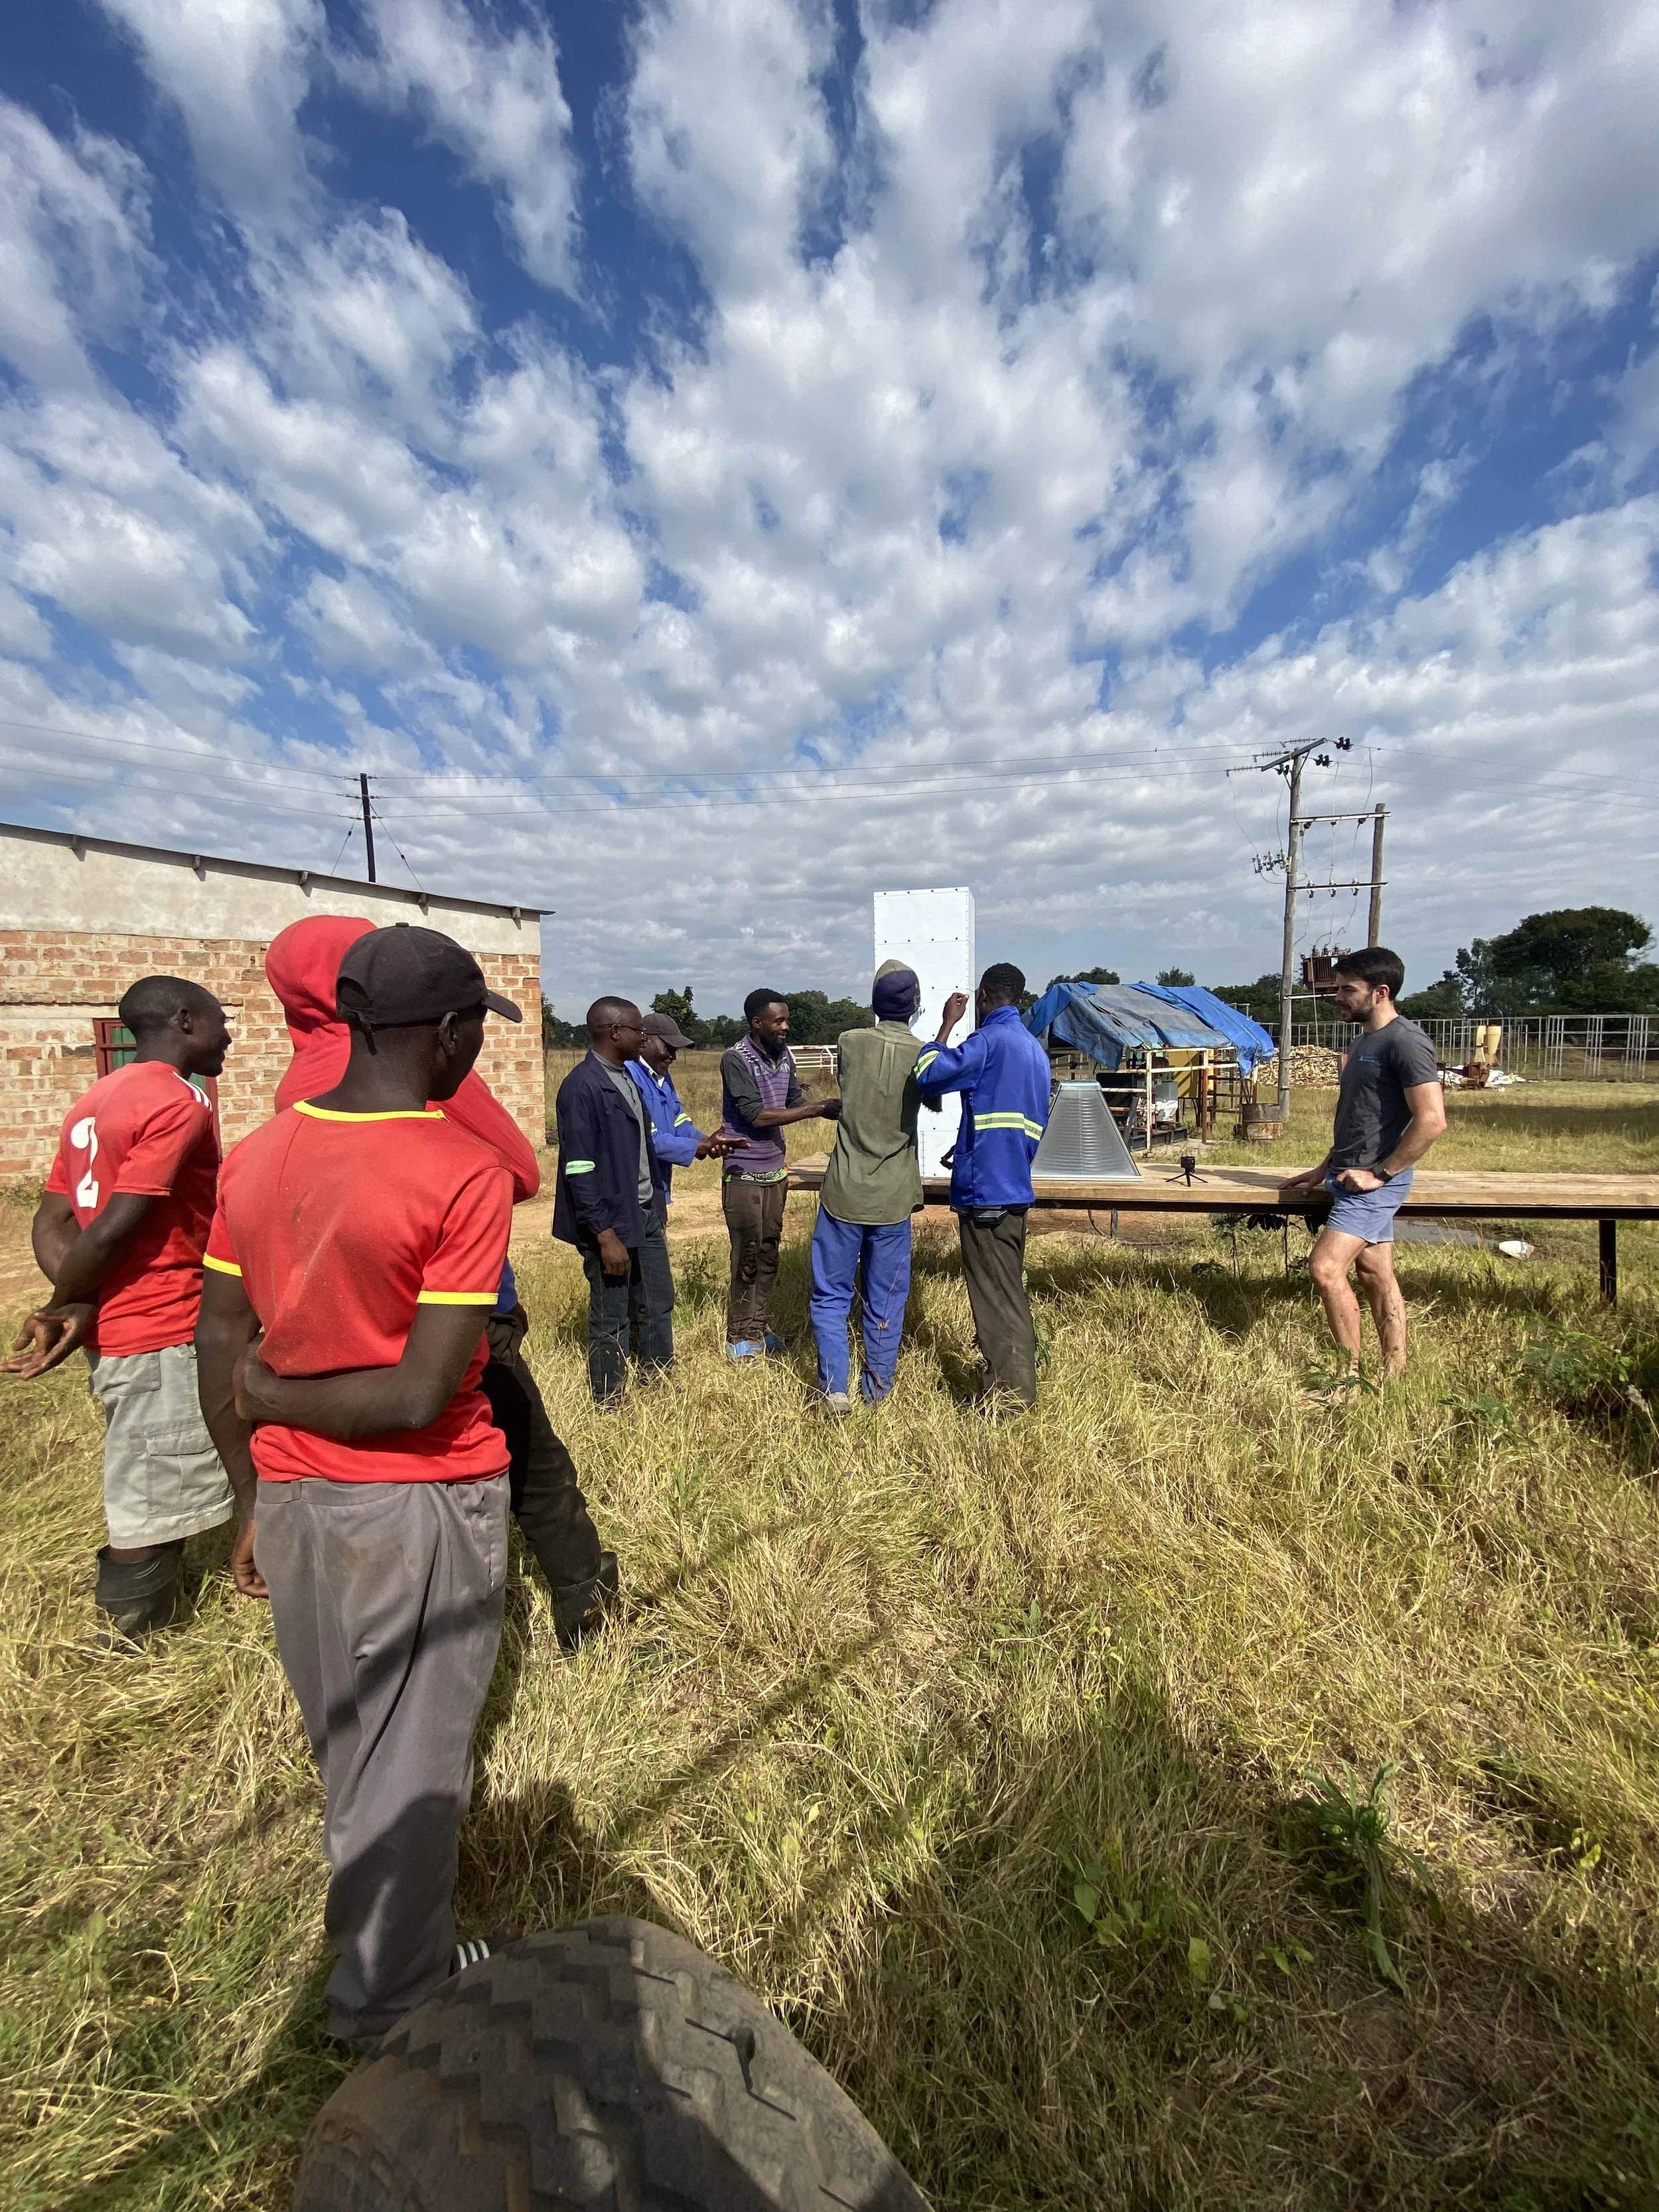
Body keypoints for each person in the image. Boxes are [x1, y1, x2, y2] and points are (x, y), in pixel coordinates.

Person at [194, 924, 520, 2047]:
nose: (479, 1048)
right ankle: (394, 2008)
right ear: (446, 1033)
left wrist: (250, 1479)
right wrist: (277, 1403)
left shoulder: (257, 1154)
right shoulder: (461, 1171)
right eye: (478, 1027)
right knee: (412, 1764)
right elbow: (423, 1391)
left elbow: (220, 1338)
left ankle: (391, 1953)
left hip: (292, 1501)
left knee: (350, 1739)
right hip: (416, 1502)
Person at [264, 916, 614, 1644]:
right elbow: (517, 1169)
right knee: (533, 1458)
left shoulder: (296, 1089)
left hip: (338, 1322)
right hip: (454, 1308)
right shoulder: (411, 1064)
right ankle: (585, 1601)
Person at [3, 976, 236, 1642]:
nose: (229, 1035)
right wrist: (64, 1305)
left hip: (121, 1326)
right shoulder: (177, 1103)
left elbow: (54, 1221)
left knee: (153, 1468)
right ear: (186, 1022)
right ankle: (130, 1644)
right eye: (221, 1021)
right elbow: (112, 1226)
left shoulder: (93, 1101)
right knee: (151, 1495)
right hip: (161, 1323)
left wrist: (85, 1300)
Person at [1278, 945, 1447, 1388]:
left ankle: (1348, 1381)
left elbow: (1432, 1120)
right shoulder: (1365, 1039)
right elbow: (1362, 1116)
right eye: (1338, 987)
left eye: (1347, 989)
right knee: (1374, 1272)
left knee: (1326, 1269)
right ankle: (1394, 1368)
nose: (1338, 996)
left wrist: (1381, 1174)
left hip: (1370, 1183)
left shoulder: (1405, 1041)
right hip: (1347, 1173)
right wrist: (1324, 1166)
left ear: (1380, 992)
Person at [914, 962, 1052, 1411]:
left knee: (993, 1298)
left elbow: (930, 1074)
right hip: (1012, 1186)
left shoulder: (987, 1041)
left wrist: (946, 1023)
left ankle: (1009, 1400)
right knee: (1009, 1289)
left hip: (986, 1193)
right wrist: (969, 1144)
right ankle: (1017, 1382)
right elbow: (1014, 1118)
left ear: (987, 994)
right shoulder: (1033, 1049)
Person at [808, 962, 927, 1412]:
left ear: (874, 1003)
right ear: (915, 1005)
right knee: (885, 1298)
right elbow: (931, 1091)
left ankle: (834, 1388)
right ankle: (876, 1392)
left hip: (843, 1192)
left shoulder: (849, 1042)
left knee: (831, 1295)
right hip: (893, 1198)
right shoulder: (922, 1052)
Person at [553, 999, 676, 1404]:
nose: (644, 1037)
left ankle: (658, 1378)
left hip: (643, 1212)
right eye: (639, 1030)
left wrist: (655, 1205)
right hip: (609, 1222)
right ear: (615, 1033)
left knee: (657, 1300)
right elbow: (579, 1170)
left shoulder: (627, 1078)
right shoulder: (583, 1087)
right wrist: (604, 1236)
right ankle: (609, 1395)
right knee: (611, 1314)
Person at [718, 989, 841, 1359]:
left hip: (774, 1171)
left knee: (769, 1252)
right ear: (757, 1023)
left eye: (786, 1020)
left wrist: (839, 1106)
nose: (786, 1027)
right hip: (744, 1173)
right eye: (779, 1021)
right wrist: (817, 1109)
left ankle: (757, 1329)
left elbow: (791, 1103)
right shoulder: (735, 1060)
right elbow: (757, 1115)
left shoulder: (783, 1056)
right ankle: (739, 1336)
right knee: (748, 1256)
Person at [625, 1009, 733, 1206]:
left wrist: (706, 1141)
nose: (673, 1056)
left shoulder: (662, 1075)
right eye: (669, 1047)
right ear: (645, 1040)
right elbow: (648, 1139)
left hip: (658, 1185)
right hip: (634, 1191)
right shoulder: (629, 1075)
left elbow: (679, 1119)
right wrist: (701, 1147)